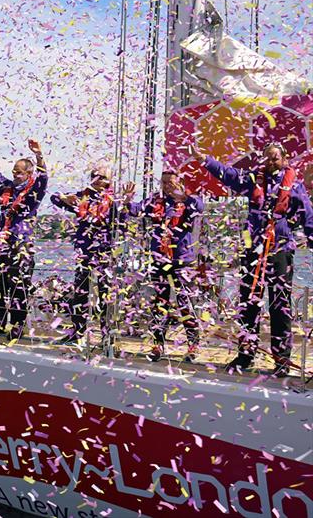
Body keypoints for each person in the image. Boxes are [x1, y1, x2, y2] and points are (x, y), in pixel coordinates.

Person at [197, 143, 313, 375]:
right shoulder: (252, 181)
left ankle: (281, 360)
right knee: (248, 304)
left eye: (275, 159)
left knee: (279, 305)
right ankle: (245, 356)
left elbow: (308, 216)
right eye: (267, 159)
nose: (271, 163)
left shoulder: (296, 187)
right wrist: (205, 160)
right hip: (253, 251)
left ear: (285, 159)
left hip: (280, 250)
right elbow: (229, 175)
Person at [0, 132, 49, 341]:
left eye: (19, 173)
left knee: (19, 286)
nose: (15, 175)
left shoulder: (34, 192)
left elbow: (43, 178)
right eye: (14, 172)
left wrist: (39, 155)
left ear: (28, 174)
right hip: (2, 244)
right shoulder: (7, 188)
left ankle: (17, 324)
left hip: (21, 245)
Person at [127, 169, 204, 362]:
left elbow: (200, 207)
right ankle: (158, 344)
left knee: (185, 303)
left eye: (171, 183)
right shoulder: (156, 201)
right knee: (160, 303)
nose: (167, 186)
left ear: (179, 183)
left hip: (181, 260)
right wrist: (128, 199)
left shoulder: (189, 201)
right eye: (164, 183)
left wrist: (184, 197)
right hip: (160, 259)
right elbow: (135, 210)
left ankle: (193, 345)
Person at [50, 164, 119, 345]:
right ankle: (77, 332)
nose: (98, 179)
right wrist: (65, 199)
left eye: (102, 176)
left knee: (105, 296)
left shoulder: (113, 200)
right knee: (80, 294)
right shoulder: (83, 197)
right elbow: (54, 197)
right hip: (84, 253)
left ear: (109, 181)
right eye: (95, 175)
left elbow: (125, 220)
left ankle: (107, 337)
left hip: (105, 253)